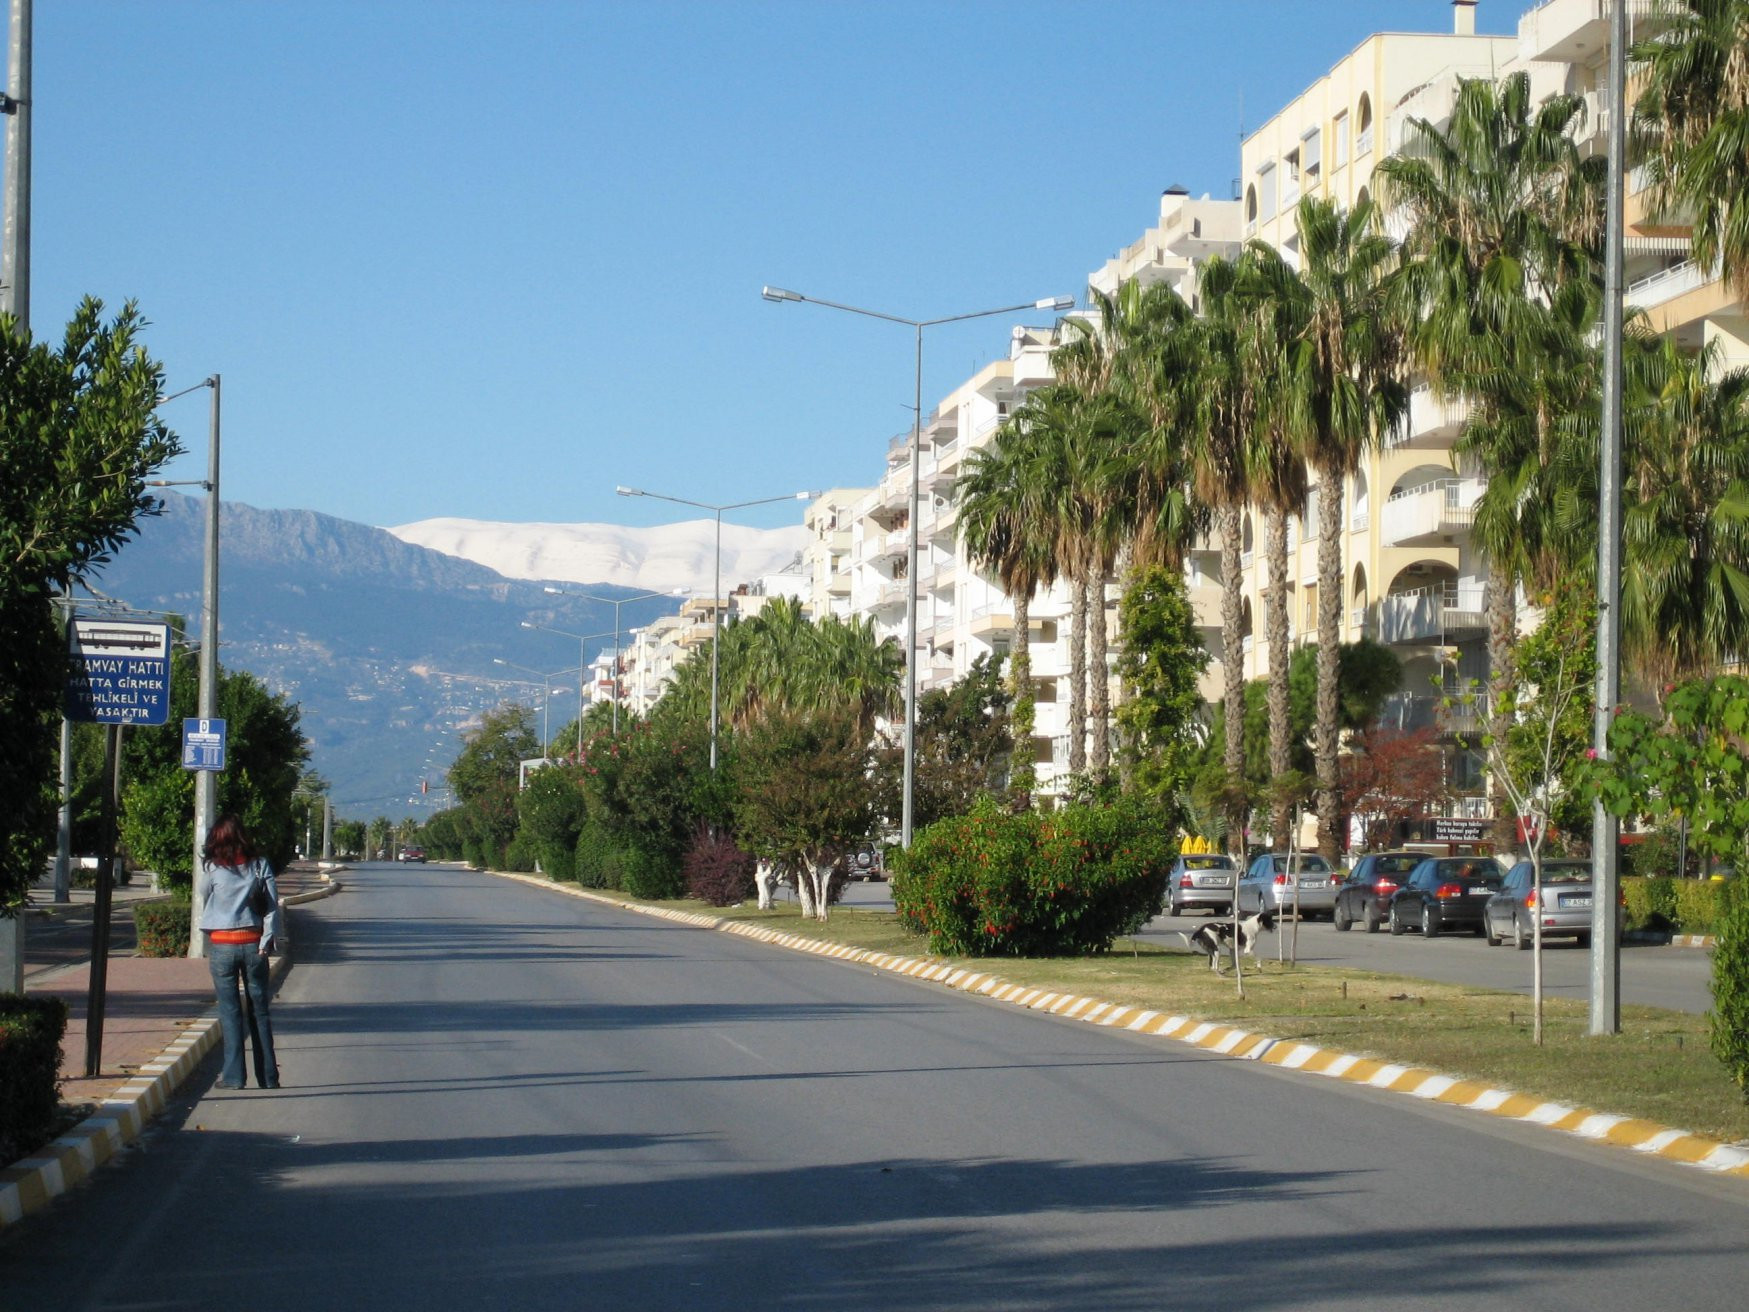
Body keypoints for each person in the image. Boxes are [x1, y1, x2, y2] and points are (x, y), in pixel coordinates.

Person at [199, 814, 282, 1089]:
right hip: (253, 944)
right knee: (259, 1011)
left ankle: (234, 1077)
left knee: (230, 1011)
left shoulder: (212, 868)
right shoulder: (260, 866)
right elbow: (271, 908)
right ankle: (268, 1077)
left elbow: (203, 894)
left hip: (222, 946)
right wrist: (265, 943)